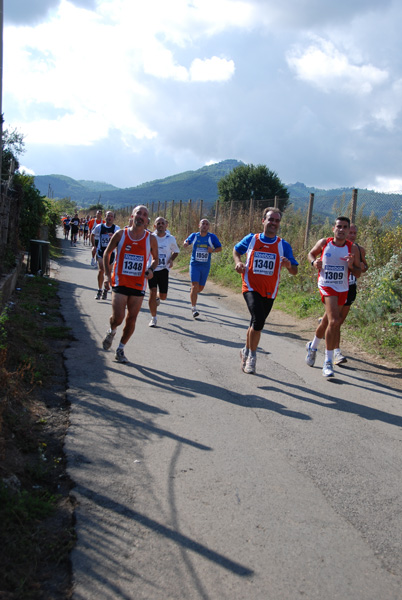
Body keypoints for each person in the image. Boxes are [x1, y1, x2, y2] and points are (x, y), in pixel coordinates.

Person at [233, 207, 298, 374]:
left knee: (255, 323)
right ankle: (252, 358)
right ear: (263, 221)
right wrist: (238, 262)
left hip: (270, 290)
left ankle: (245, 350)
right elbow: (236, 250)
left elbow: (295, 270)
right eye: (270, 219)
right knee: (259, 320)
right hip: (250, 286)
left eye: (277, 220)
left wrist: (289, 266)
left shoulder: (283, 245)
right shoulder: (252, 239)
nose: (273, 223)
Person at [305, 216, 361, 377]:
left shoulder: (353, 249)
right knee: (335, 321)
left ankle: (313, 346)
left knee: (327, 321)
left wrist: (351, 266)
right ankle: (328, 362)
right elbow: (311, 254)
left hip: (343, 288)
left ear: (349, 230)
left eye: (345, 227)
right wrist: (314, 263)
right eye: (339, 227)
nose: (342, 230)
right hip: (326, 285)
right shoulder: (325, 243)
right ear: (333, 229)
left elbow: (358, 272)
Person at [101, 205, 158, 363]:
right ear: (132, 216)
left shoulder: (150, 238)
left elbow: (156, 259)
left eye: (144, 215)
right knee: (118, 318)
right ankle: (112, 331)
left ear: (147, 221)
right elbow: (107, 253)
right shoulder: (121, 234)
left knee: (131, 319)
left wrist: (151, 269)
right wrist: (106, 275)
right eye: (138, 213)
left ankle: (120, 349)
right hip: (120, 281)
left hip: (138, 284)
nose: (141, 216)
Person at [315, 223, 368, 365]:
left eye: (353, 233)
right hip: (333, 286)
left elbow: (363, 268)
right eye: (349, 232)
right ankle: (335, 352)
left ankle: (314, 344)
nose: (351, 235)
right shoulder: (333, 245)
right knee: (335, 322)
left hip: (349, 288)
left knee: (338, 321)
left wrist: (359, 267)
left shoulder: (358, 249)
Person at [183, 218, 222, 318]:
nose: (204, 225)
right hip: (195, 264)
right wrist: (186, 243)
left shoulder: (212, 237)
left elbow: (219, 248)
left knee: (200, 288)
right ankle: (193, 308)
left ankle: (193, 291)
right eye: (203, 224)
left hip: (205, 266)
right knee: (195, 286)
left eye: (206, 224)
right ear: (199, 226)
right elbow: (187, 241)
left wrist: (212, 250)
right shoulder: (194, 235)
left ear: (208, 227)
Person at [148, 216, 179, 327]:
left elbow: (176, 251)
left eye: (162, 223)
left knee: (163, 296)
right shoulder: (150, 238)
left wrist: (171, 259)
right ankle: (153, 318)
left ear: (166, 225)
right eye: (158, 223)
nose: (160, 225)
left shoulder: (170, 238)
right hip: (152, 269)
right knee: (151, 293)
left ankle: (157, 296)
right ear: (154, 226)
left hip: (163, 269)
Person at [92, 211, 120, 300]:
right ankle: (99, 290)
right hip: (101, 252)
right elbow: (92, 234)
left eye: (111, 216)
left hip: (111, 254)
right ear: (105, 217)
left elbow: (120, 241)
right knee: (101, 270)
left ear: (114, 218)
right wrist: (94, 245)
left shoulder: (116, 229)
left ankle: (105, 290)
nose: (109, 218)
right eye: (108, 216)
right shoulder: (99, 227)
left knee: (108, 272)